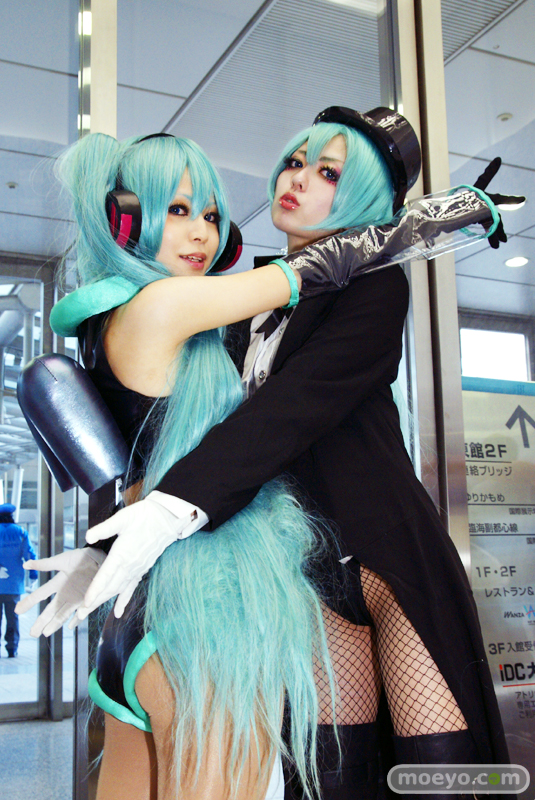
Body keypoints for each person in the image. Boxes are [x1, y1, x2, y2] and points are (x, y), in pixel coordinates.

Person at [18, 110, 522, 799]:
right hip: (298, 571)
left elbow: (294, 408)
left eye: (328, 172)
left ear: (362, 197)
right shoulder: (222, 311)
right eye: (296, 161)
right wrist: (119, 538)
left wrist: (164, 511)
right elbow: (171, 437)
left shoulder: (374, 287)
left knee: (441, 769)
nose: (298, 178)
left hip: (383, 551)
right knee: (331, 773)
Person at [0, 502, 37, 657]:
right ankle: (12, 648)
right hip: (13, 584)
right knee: (12, 618)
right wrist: (33, 573)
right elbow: (29, 554)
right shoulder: (21, 532)